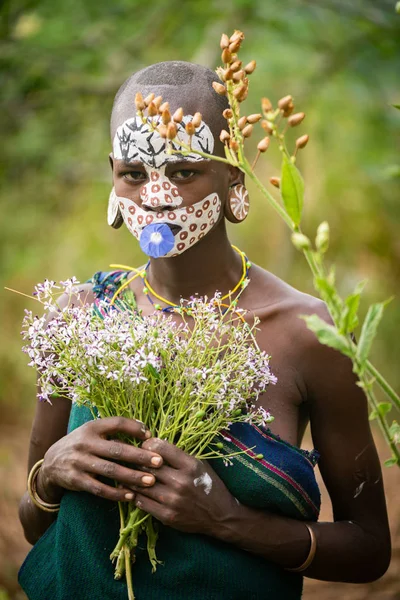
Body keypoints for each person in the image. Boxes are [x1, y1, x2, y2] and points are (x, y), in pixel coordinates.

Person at [18, 61, 391, 600]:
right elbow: (37, 526)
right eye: (134, 173)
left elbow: (369, 549)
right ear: (112, 175)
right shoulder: (77, 319)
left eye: (185, 171)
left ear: (234, 176)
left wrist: (227, 520)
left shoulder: (308, 335)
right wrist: (50, 476)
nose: (157, 196)